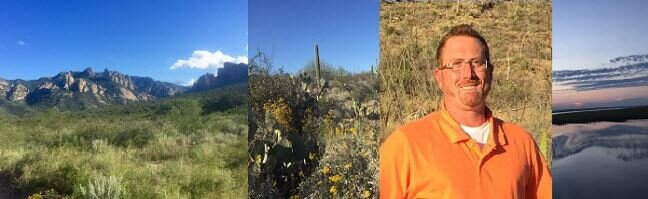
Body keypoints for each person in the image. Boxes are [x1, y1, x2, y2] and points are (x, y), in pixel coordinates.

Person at [379, 24, 552, 199]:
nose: (468, 74)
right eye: (456, 64)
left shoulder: (521, 142)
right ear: (439, 77)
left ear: (490, 72)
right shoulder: (404, 145)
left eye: (477, 63)